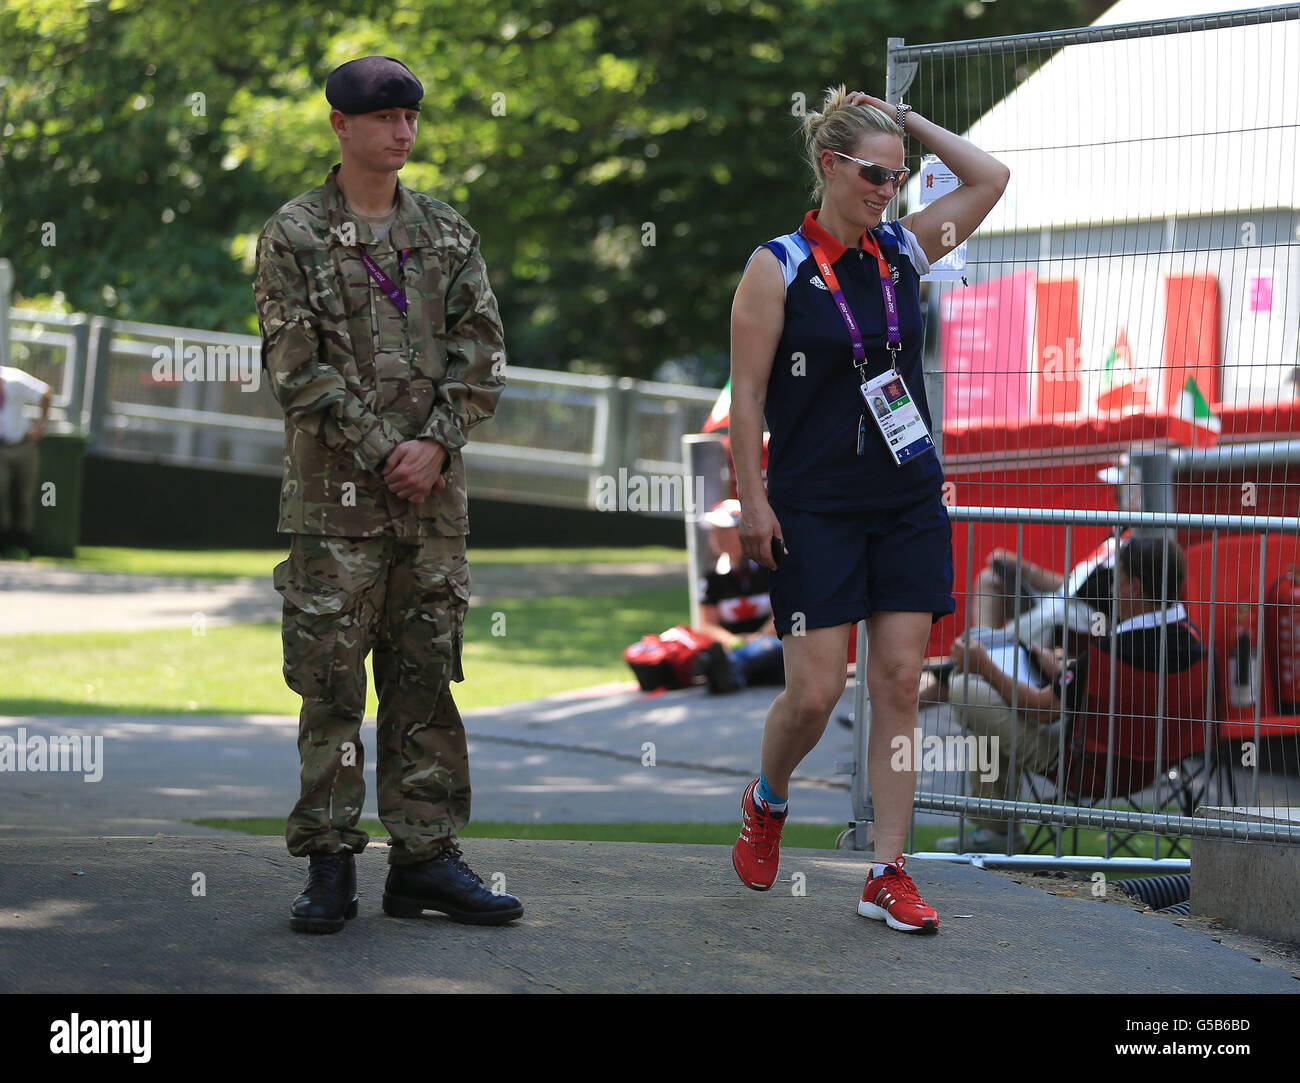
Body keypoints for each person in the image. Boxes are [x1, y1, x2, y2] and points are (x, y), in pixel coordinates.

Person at [727, 85, 1009, 932]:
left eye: (897, 178)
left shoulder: (903, 252)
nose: (887, 192)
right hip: (814, 506)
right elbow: (744, 398)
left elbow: (990, 177)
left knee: (897, 681)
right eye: (873, 175)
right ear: (829, 165)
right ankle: (768, 800)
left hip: (908, 499)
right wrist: (752, 499)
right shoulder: (774, 265)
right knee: (813, 696)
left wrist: (908, 123)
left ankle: (887, 867)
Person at [253, 55, 519, 934]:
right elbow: (299, 370)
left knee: (426, 678)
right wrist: (387, 450)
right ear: (339, 124)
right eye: (383, 118)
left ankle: (425, 860)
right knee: (331, 684)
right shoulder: (293, 233)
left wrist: (435, 445)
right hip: (334, 511)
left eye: (410, 117)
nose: (402, 132)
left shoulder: (446, 232)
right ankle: (330, 861)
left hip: (431, 509)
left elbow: (483, 352)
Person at [940, 535, 1208, 852]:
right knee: (994, 700)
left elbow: (1042, 710)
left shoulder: (1109, 654)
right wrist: (1063, 672)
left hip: (1084, 768)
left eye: (1116, 581)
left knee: (968, 689)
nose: (1111, 591)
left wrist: (986, 667)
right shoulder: (1195, 643)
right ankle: (997, 831)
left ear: (1134, 588)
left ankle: (998, 832)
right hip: (1154, 765)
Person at [694, 499, 784, 694]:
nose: (717, 537)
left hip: (769, 643)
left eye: (725, 530)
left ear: (746, 531)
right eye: (715, 531)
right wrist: (734, 642)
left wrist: (757, 638)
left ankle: (727, 669)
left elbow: (782, 611)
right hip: (732, 645)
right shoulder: (712, 576)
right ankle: (730, 670)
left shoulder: (770, 565)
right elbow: (707, 624)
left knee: (771, 648)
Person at [0, 364, 53, 560]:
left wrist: (41, 426)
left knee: (26, 495)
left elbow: (46, 393)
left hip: (23, 445)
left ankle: (24, 543)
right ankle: (4, 543)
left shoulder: (14, 379)